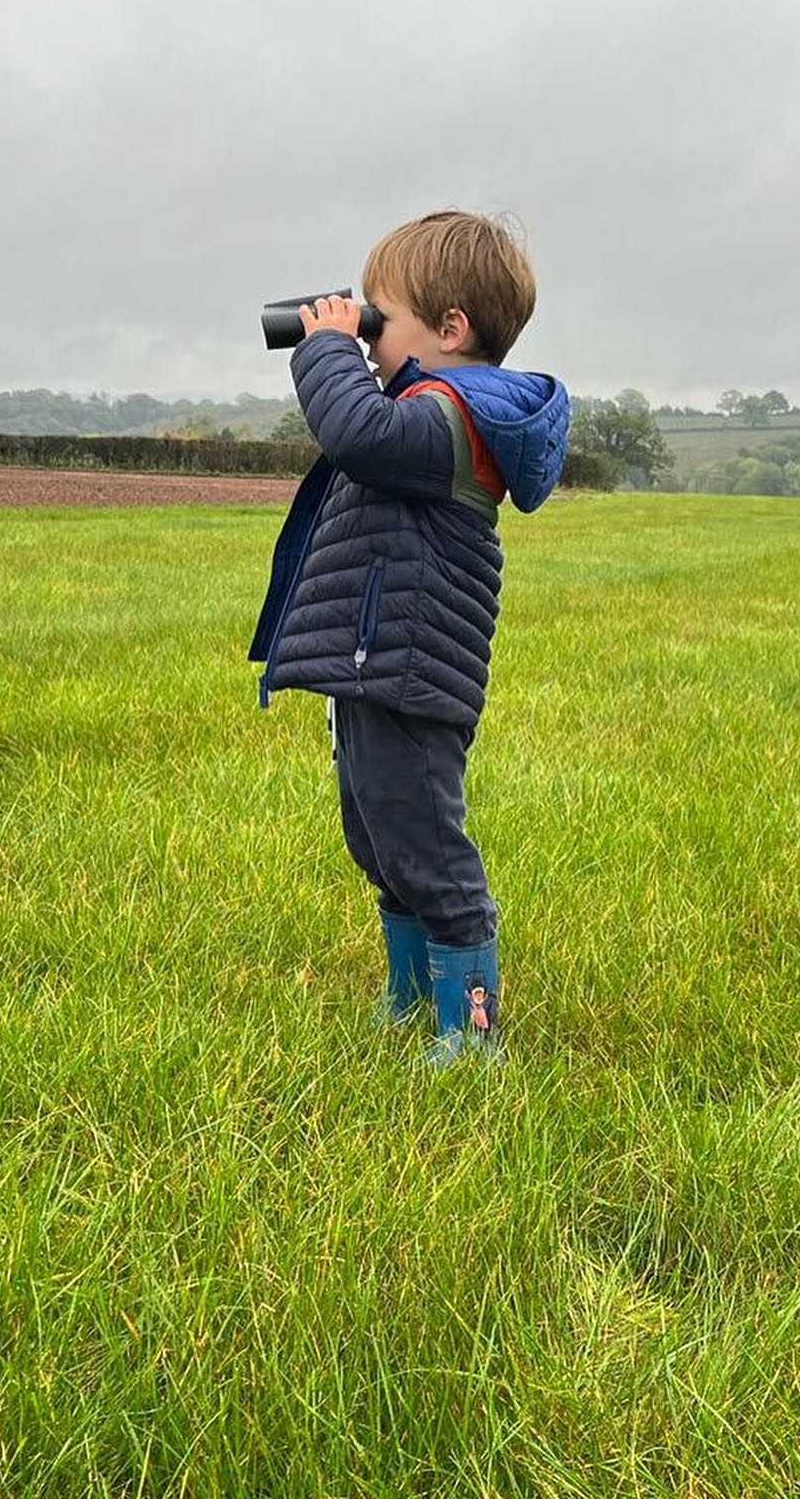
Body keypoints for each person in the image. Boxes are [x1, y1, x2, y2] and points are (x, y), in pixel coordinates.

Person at [249, 209, 569, 1065]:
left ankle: (473, 1033)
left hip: (411, 672)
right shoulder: (426, 410)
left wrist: (323, 345)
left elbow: (355, 432)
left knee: (428, 847)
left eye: (378, 319)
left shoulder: (455, 417)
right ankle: (412, 999)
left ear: (451, 330)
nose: (366, 336)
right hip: (375, 665)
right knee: (380, 837)